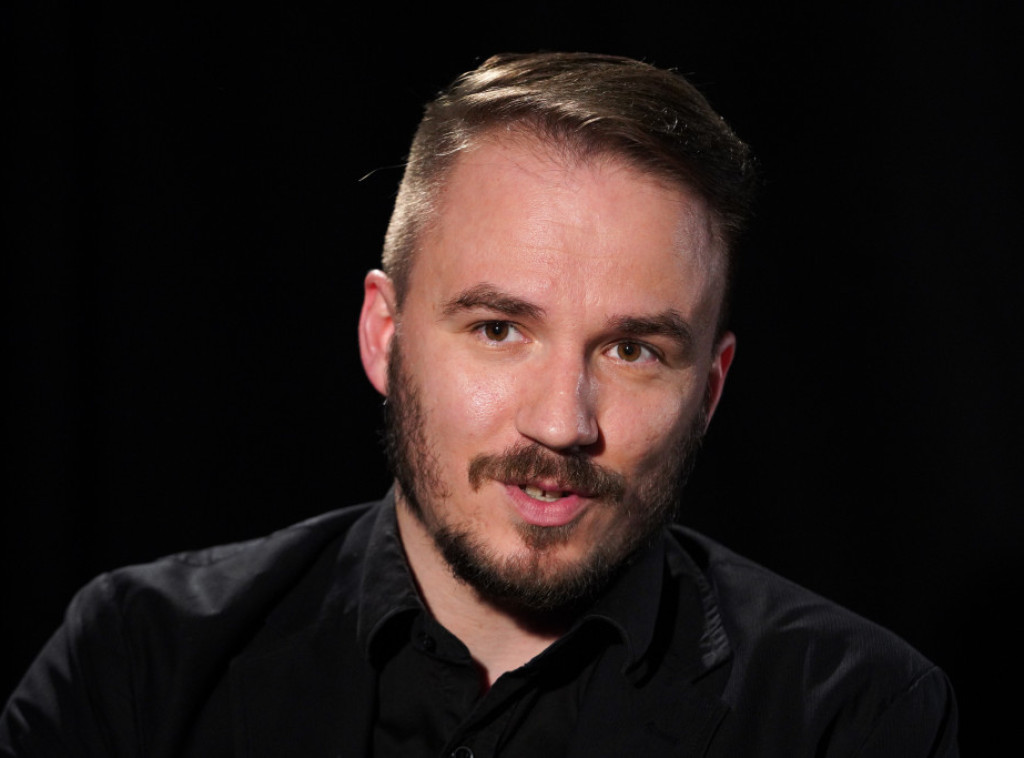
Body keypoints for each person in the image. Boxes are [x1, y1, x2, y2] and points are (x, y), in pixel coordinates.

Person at [1, 52, 958, 757]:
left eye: (632, 350)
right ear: (383, 334)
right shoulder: (138, 664)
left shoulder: (853, 719)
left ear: (709, 390)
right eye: (500, 329)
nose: (562, 422)